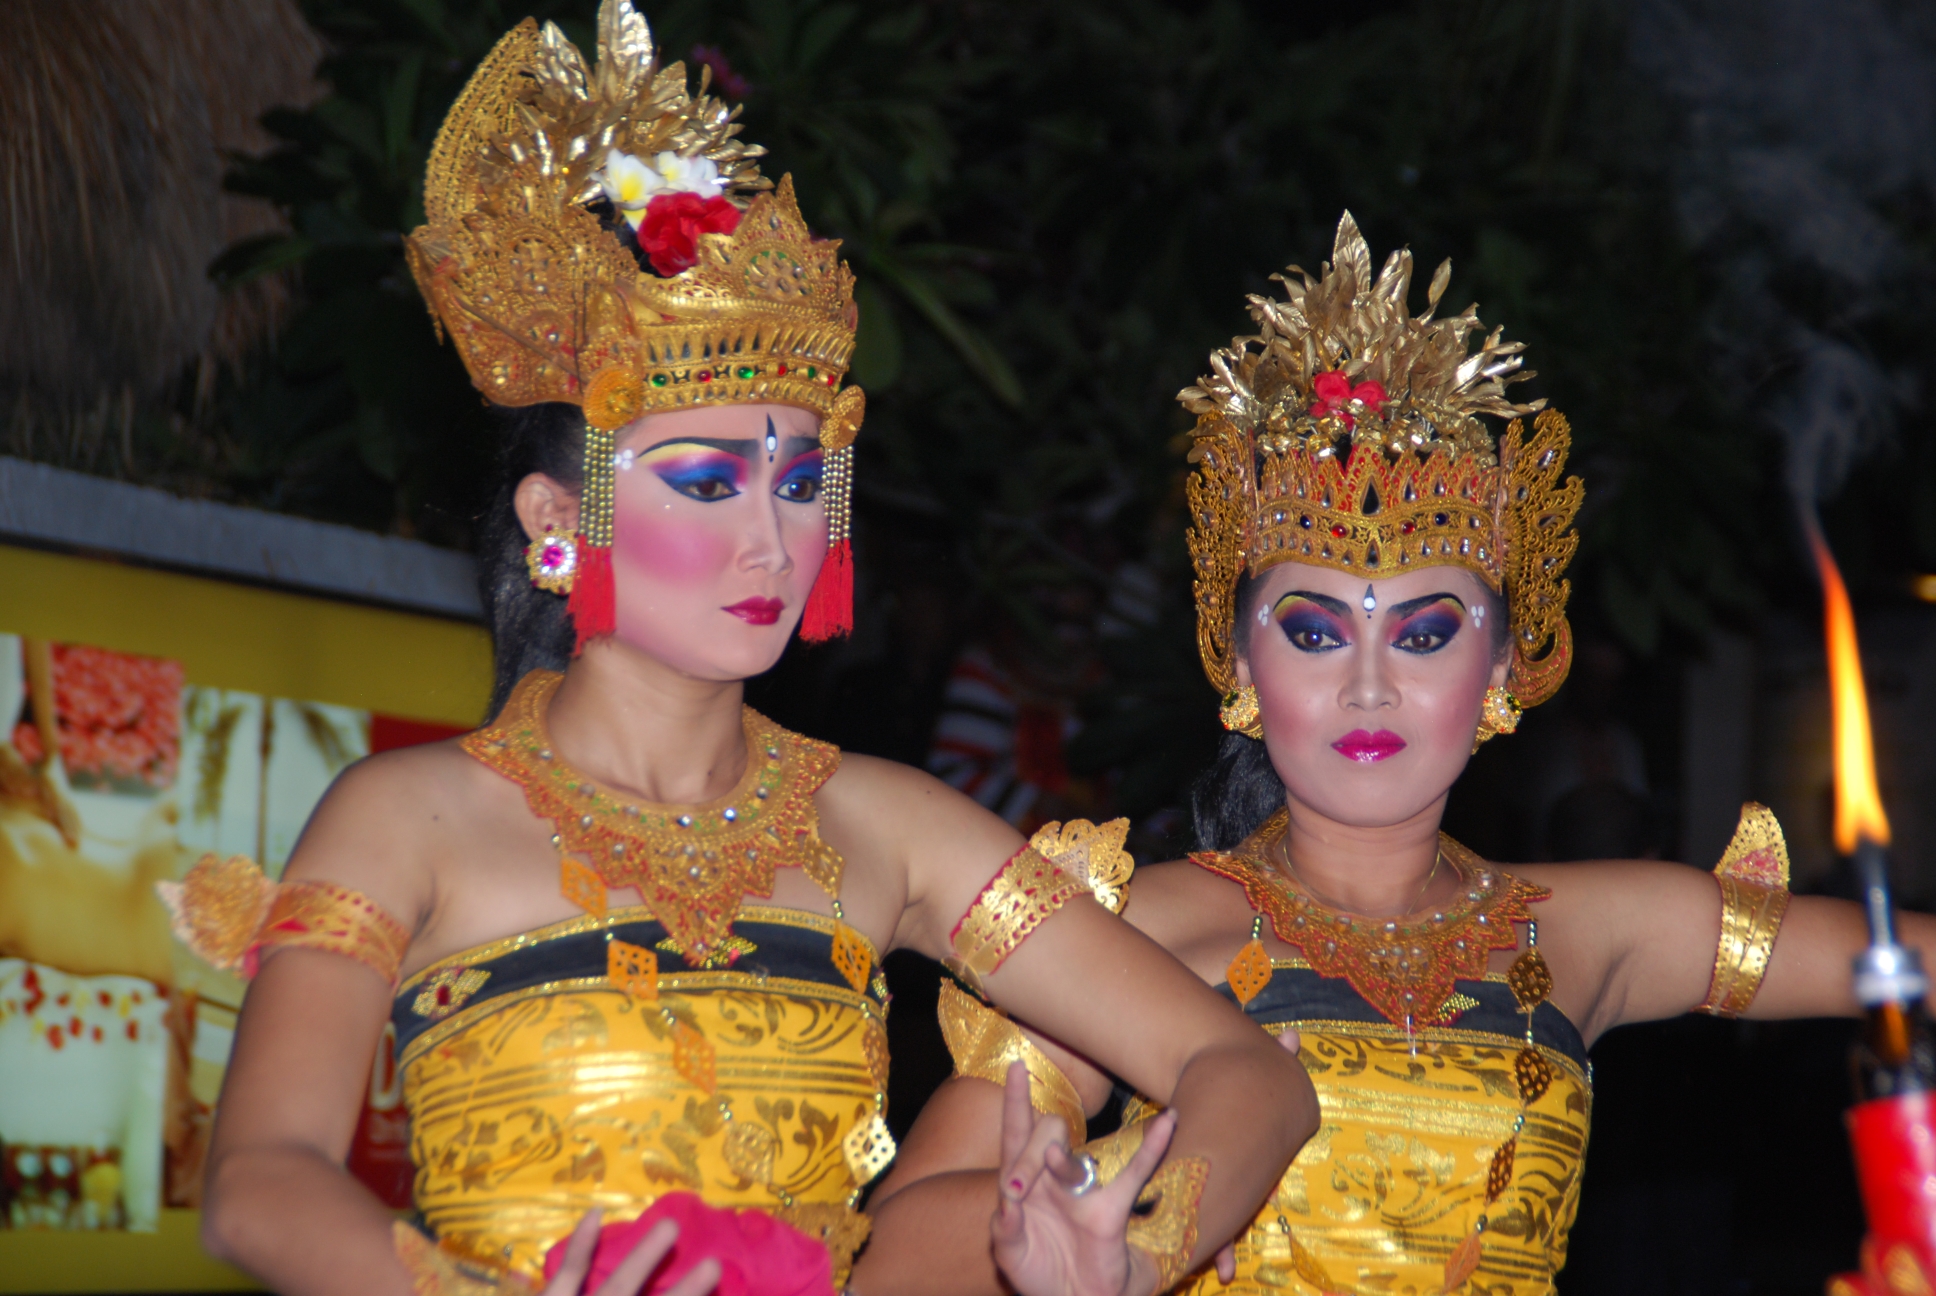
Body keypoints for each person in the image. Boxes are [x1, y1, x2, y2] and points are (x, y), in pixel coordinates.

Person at [158, 6, 1315, 1296]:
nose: (773, 542)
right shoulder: (407, 819)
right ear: (558, 520)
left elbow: (1248, 1076)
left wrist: (1130, 1253)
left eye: (803, 483)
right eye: (707, 483)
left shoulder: (887, 830)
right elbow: (259, 1181)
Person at [869, 212, 1931, 1295]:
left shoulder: (1596, 930)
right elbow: (892, 1260)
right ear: (1240, 665)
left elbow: (1908, 966)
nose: (1369, 686)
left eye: (1423, 636)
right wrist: (1127, 1198)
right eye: (1314, 633)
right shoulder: (1124, 933)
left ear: (1505, 667)